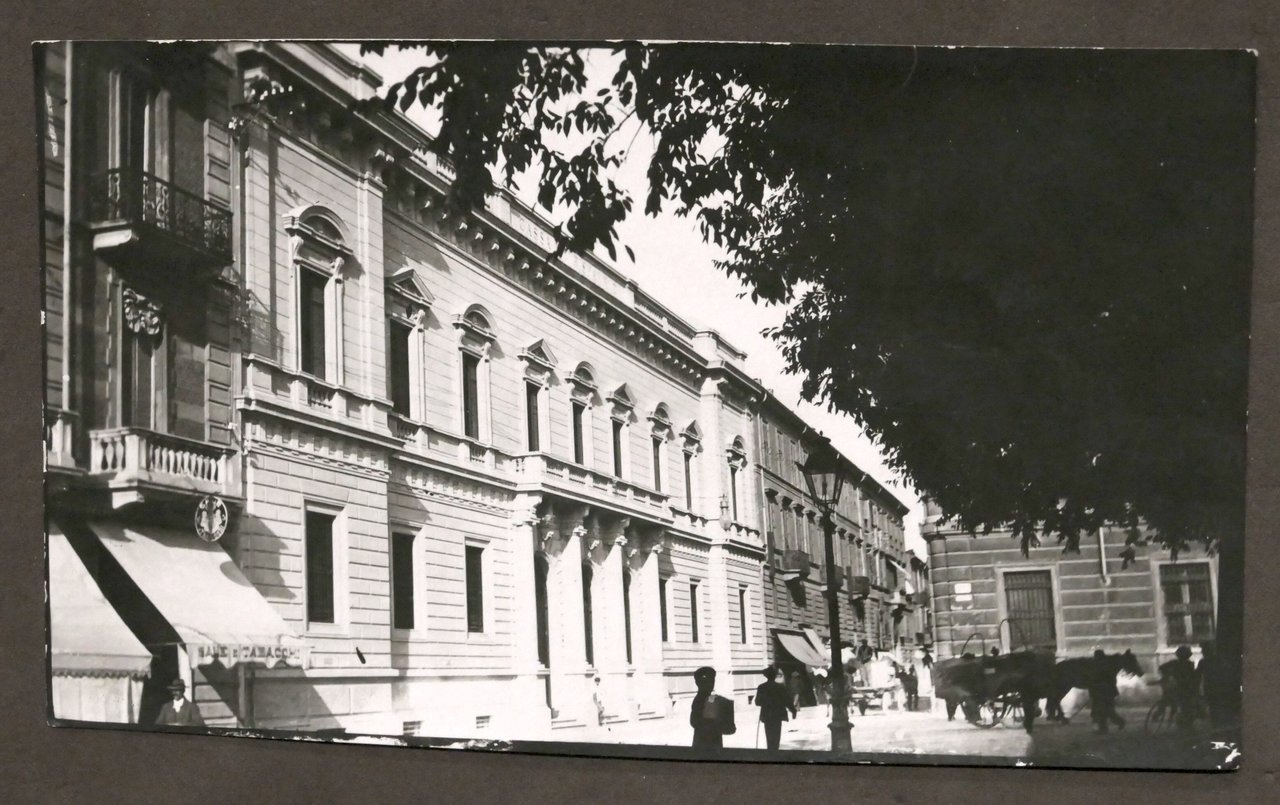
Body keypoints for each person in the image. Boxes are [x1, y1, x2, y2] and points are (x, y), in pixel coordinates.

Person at [690, 666, 735, 749]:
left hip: (708, 740)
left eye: (712, 680)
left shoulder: (709, 698)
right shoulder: (702, 699)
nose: (711, 684)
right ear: (698, 683)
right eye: (707, 681)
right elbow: (695, 722)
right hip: (706, 742)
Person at [755, 666, 797, 751]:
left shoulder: (762, 687)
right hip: (778, 715)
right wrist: (793, 711)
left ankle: (771, 752)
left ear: (766, 676)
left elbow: (757, 702)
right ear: (774, 676)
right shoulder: (780, 687)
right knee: (776, 736)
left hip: (767, 715)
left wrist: (766, 701)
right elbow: (787, 701)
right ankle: (775, 752)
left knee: (769, 736)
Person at [1087, 649, 1125, 733]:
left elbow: (1097, 680)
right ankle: (1105, 728)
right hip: (1105, 692)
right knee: (1104, 711)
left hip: (1104, 692)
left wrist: (1093, 690)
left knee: (1106, 710)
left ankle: (1119, 722)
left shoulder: (1101, 666)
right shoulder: (1105, 665)